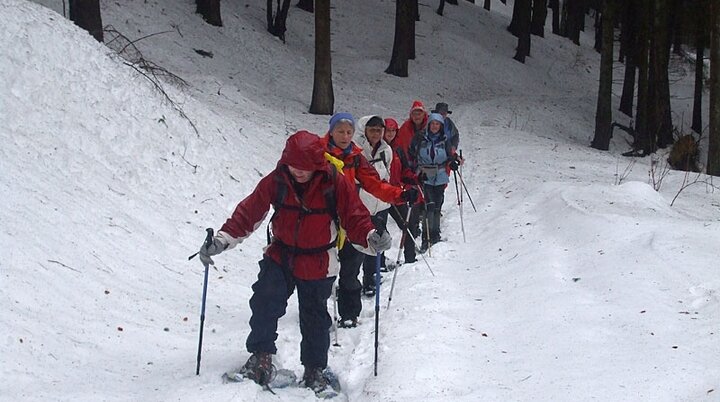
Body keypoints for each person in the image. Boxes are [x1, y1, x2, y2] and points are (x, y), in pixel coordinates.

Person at [196, 131, 393, 395]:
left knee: (314, 316)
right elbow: (249, 211)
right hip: (281, 253)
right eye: (294, 166)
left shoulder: (333, 182)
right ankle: (261, 357)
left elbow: (354, 216)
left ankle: (314, 370)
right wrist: (221, 240)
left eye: (305, 168)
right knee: (264, 299)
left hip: (318, 259)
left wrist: (371, 236)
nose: (298, 172)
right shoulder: (278, 179)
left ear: (316, 165)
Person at [321, 112, 417, 328]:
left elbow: (377, 183)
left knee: (350, 268)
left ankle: (349, 313)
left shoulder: (365, 155)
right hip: (327, 218)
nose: (345, 136)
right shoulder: (323, 152)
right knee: (323, 271)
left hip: (359, 217)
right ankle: (317, 314)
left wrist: (399, 194)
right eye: (340, 131)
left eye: (348, 132)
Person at [409, 113, 459, 252]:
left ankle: (435, 234)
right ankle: (427, 237)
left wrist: (452, 162)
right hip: (425, 174)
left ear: (441, 126)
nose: (435, 126)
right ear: (429, 124)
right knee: (428, 205)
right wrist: (414, 173)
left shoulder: (444, 140)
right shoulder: (420, 138)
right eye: (433, 123)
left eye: (437, 124)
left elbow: (449, 155)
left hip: (440, 174)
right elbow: (411, 155)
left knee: (437, 205)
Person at [383, 117, 419, 265]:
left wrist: (414, 178)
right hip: (380, 195)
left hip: (397, 193)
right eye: (388, 130)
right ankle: (377, 264)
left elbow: (405, 170)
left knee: (408, 224)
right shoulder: (377, 149)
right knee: (379, 230)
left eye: (393, 131)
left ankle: (410, 257)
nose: (390, 134)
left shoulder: (397, 150)